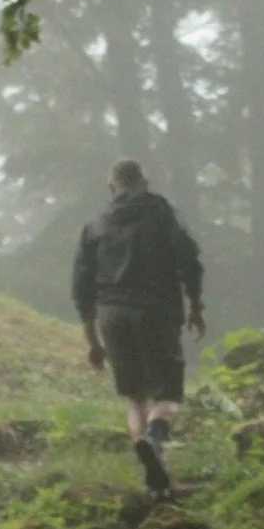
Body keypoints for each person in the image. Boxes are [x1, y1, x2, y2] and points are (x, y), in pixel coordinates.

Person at [73, 158, 205, 496]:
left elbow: (82, 287)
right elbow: (189, 259)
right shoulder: (163, 214)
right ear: (144, 183)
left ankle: (152, 471)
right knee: (168, 396)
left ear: (112, 186)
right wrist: (196, 306)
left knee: (135, 399)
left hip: (112, 315)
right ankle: (154, 443)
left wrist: (92, 341)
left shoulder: (96, 225)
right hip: (156, 312)